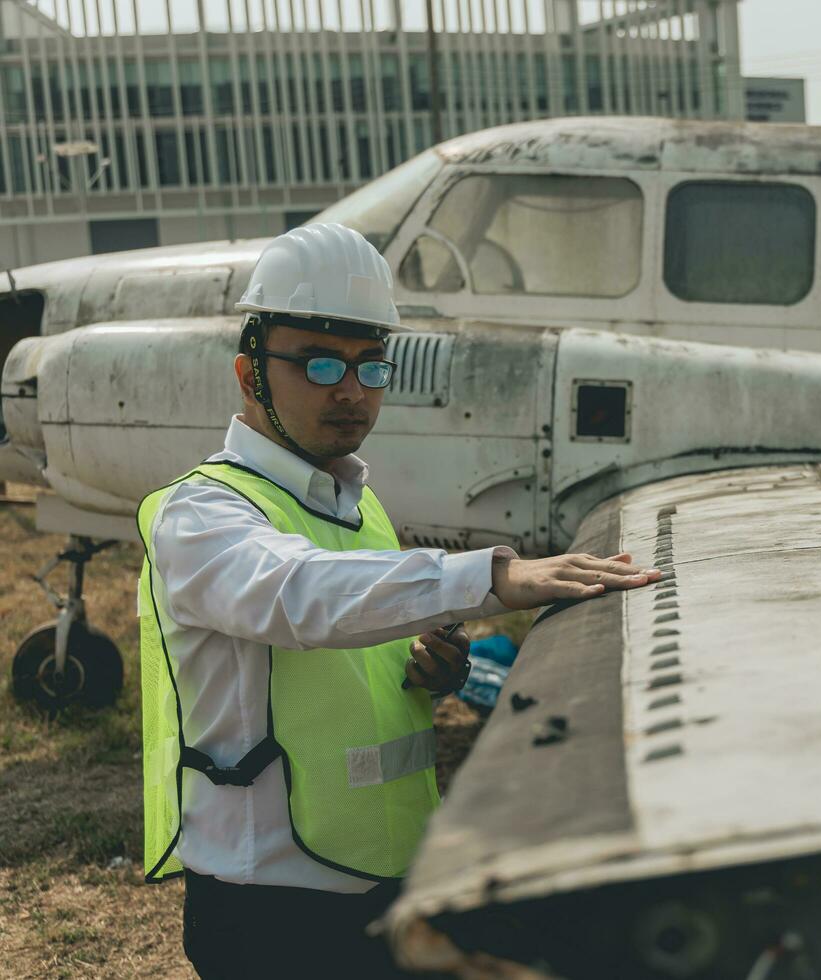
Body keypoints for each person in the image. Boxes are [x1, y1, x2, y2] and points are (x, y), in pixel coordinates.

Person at [135, 223, 658, 978]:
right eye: (319, 363)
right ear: (250, 375)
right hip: (274, 908)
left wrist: (427, 672)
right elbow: (302, 594)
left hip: (389, 871)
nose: (350, 390)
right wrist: (493, 577)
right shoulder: (200, 515)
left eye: (370, 365)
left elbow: (361, 635)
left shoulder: (357, 503)